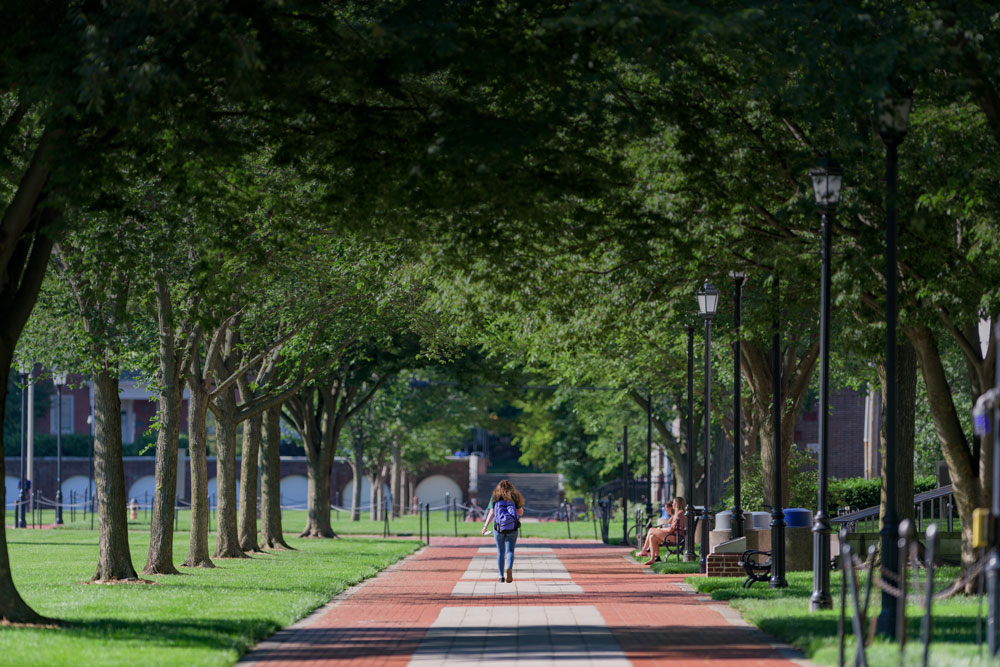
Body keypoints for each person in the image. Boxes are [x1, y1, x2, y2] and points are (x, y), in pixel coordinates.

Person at [480, 479, 525, 583]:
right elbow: (520, 512)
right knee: (510, 551)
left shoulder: (495, 496)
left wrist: (485, 526)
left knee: (500, 552)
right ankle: (509, 568)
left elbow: (492, 512)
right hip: (512, 527)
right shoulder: (515, 496)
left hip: (498, 528)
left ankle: (501, 576)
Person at [637, 497, 686, 565]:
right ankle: (654, 558)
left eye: (673, 503)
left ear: (677, 504)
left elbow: (671, 529)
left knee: (651, 530)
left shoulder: (679, 514)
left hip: (675, 537)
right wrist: (661, 528)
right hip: (673, 535)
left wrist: (660, 529)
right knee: (652, 537)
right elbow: (669, 524)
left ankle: (644, 550)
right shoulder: (677, 513)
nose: (672, 504)